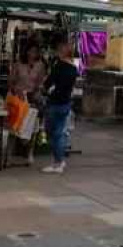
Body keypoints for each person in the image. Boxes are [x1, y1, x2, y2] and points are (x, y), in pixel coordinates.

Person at [42, 35, 78, 175]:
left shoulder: (58, 66)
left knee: (53, 133)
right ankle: (60, 161)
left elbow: (48, 84)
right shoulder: (73, 68)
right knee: (60, 133)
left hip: (55, 103)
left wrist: (45, 90)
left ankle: (58, 162)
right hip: (66, 103)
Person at [10, 40, 48, 104]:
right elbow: (10, 80)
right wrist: (16, 90)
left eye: (36, 51)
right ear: (27, 52)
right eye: (32, 51)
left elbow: (40, 82)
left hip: (32, 97)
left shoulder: (40, 65)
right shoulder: (18, 64)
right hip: (18, 95)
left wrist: (37, 91)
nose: (34, 53)